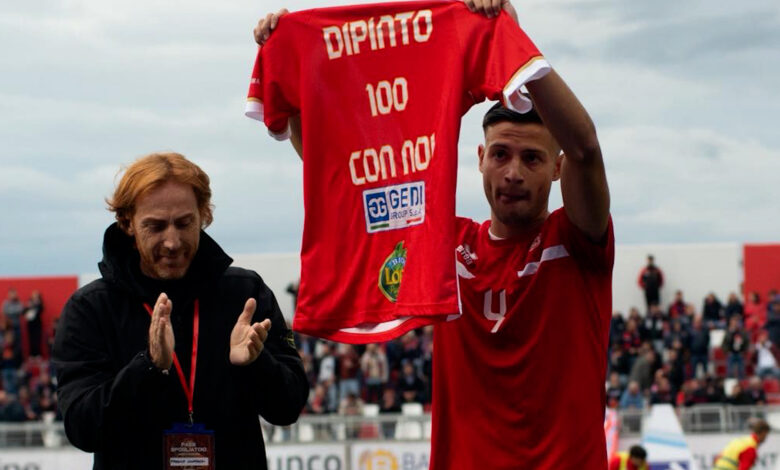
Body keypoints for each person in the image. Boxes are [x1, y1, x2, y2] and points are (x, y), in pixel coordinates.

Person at [256, 0, 612, 466]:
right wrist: (290, 52)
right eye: (501, 154)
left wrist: (514, 52)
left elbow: (585, 148)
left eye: (532, 159)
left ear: (557, 168)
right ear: (480, 158)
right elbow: (345, 173)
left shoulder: (576, 239)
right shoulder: (447, 243)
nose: (513, 173)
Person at [52, 152, 309, 470]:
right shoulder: (90, 309)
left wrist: (257, 365)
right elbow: (83, 430)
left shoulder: (246, 294)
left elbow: (288, 408)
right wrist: (147, 367)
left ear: (204, 215)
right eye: (156, 226)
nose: (172, 242)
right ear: (127, 223)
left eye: (184, 223)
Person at [24, 290, 44, 357]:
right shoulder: (29, 303)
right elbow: (24, 312)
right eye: (33, 296)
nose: (35, 297)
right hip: (30, 324)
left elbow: (41, 310)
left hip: (37, 324)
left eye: (36, 296)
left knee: (38, 339)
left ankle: (38, 354)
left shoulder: (40, 304)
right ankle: (32, 354)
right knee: (31, 340)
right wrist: (29, 306)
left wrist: (37, 305)